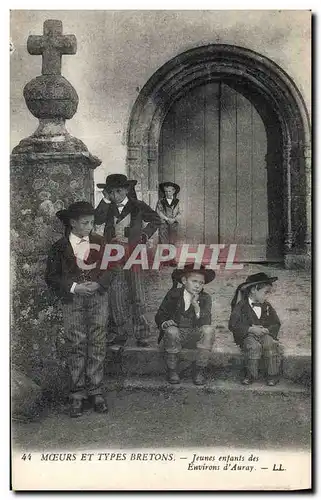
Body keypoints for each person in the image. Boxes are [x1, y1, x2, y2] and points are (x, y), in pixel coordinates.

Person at [45, 202, 112, 418]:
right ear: (72, 223)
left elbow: (113, 267)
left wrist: (99, 284)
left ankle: (95, 390)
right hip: (72, 300)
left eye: (92, 222)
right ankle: (77, 392)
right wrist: (74, 287)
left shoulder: (100, 242)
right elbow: (52, 276)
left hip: (97, 297)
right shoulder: (59, 247)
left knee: (98, 340)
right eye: (85, 223)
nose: (90, 227)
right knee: (76, 342)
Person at [94, 174, 161, 347]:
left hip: (134, 251)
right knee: (116, 293)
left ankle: (142, 332)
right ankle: (120, 331)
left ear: (126, 190)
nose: (115, 195)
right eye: (111, 192)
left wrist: (145, 235)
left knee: (137, 293)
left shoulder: (137, 206)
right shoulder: (107, 207)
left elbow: (155, 219)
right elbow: (97, 219)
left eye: (119, 191)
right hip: (113, 253)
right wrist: (105, 201)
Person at [155, 264, 216, 385]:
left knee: (209, 330)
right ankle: (172, 370)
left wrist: (197, 307)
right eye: (194, 281)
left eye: (201, 283)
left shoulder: (205, 298)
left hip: (194, 335)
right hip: (176, 335)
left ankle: (199, 370)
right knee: (171, 331)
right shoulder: (173, 295)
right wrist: (165, 322)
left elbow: (206, 321)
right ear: (184, 281)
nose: (198, 285)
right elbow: (160, 315)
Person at [228, 272, 283, 386]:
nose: (267, 296)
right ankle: (251, 375)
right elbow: (233, 324)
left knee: (270, 344)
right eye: (265, 292)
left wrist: (267, 330)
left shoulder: (267, 306)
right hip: (248, 335)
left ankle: (272, 374)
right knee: (253, 346)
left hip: (264, 333)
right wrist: (250, 329)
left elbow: (276, 323)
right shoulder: (241, 306)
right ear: (253, 290)